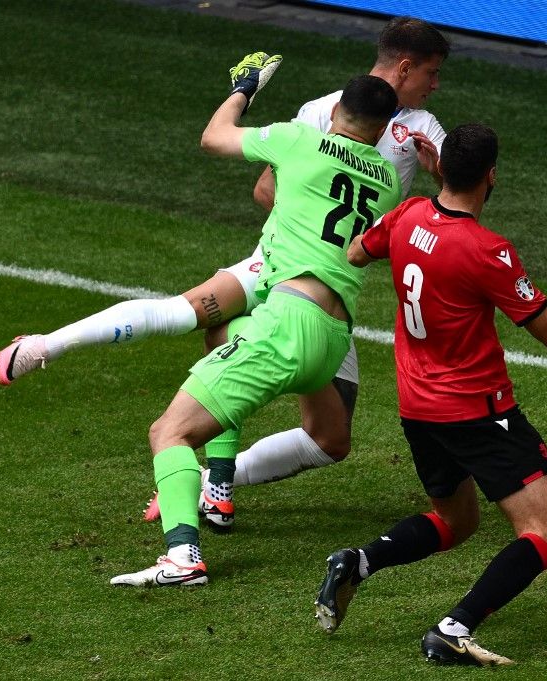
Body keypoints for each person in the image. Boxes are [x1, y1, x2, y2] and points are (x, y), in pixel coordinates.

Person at [0, 17, 451, 528]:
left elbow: (233, 150)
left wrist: (436, 178)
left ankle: (217, 479)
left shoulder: (421, 129)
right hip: (287, 266)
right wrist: (311, 229)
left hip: (329, 284)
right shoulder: (325, 113)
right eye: (431, 74)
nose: (435, 86)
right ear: (405, 66)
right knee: (186, 311)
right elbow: (268, 190)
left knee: (331, 440)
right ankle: (47, 346)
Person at [312, 123, 547, 664]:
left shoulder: (408, 215)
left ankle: (358, 562)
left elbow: (358, 255)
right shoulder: (489, 251)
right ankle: (453, 628)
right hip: (478, 413)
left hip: (418, 409)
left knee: (456, 521)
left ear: (442, 169)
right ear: (490, 176)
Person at [110, 53, 401, 586]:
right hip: (334, 340)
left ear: (337, 107)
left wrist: (245, 88)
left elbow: (214, 136)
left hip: (288, 322)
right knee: (319, 428)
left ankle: (182, 557)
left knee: (169, 431)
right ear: (383, 130)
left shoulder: (297, 139)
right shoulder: (387, 180)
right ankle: (219, 485)